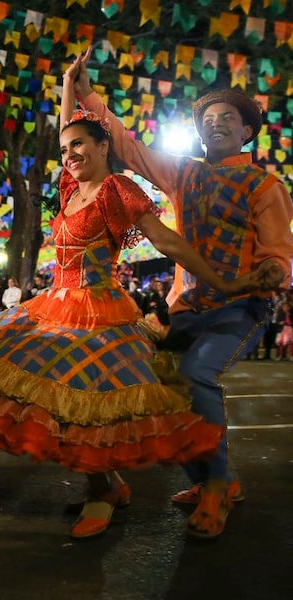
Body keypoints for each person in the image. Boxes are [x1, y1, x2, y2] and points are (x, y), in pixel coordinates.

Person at [0, 56, 264, 542]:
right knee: (57, 405)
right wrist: (68, 89)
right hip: (53, 306)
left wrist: (224, 284)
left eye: (82, 145)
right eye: (68, 147)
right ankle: (106, 486)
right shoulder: (69, 187)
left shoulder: (118, 189)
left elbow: (171, 244)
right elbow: (65, 133)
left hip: (99, 312)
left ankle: (119, 491)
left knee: (87, 405)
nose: (71, 153)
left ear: (103, 147)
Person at [71, 46, 293, 538]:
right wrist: (85, 94)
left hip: (239, 307)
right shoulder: (183, 172)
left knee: (195, 374)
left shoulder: (265, 186)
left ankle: (216, 488)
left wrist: (272, 273)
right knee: (159, 392)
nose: (215, 123)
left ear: (247, 131)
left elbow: (279, 253)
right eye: (208, 118)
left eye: (227, 117)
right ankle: (214, 480)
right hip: (185, 309)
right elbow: (127, 148)